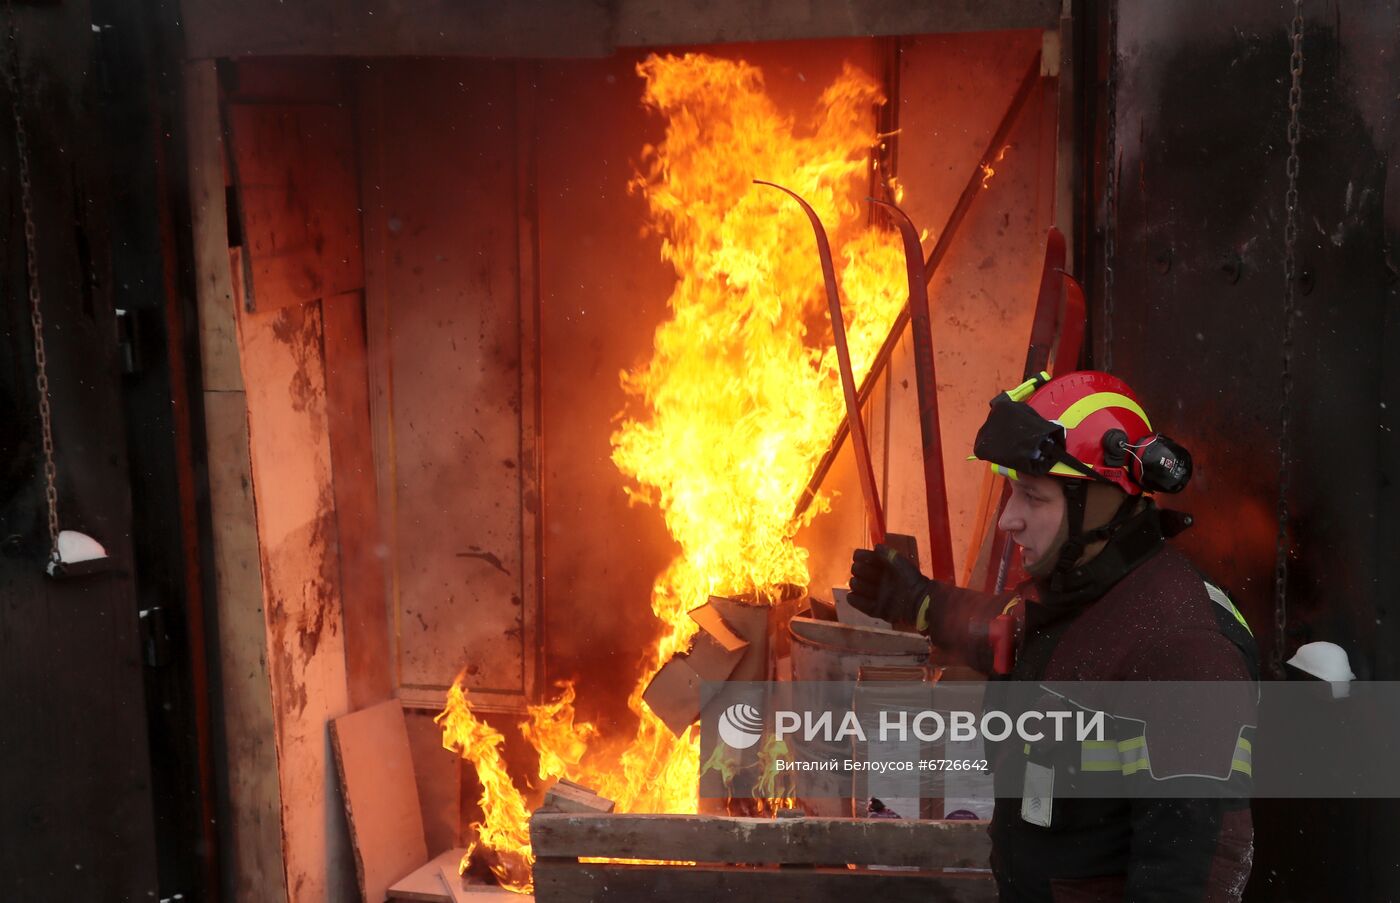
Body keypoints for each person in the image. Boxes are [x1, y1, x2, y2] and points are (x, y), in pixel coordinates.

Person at [847, 370, 1258, 902]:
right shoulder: (1080, 593)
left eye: (1033, 499)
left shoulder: (1181, 649)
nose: (1008, 520)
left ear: (1102, 503)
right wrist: (921, 602)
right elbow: (1014, 637)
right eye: (1013, 493)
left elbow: (1193, 873)